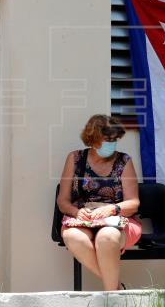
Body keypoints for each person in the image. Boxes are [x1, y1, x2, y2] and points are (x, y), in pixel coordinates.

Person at [57, 114, 141, 291]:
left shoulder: (123, 161)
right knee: (72, 236)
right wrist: (76, 212)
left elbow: (133, 203)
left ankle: (112, 295)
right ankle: (117, 290)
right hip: (83, 219)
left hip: (117, 220)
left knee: (106, 237)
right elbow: (62, 201)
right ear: (93, 139)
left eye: (114, 140)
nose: (111, 144)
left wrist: (112, 209)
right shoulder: (75, 159)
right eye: (107, 139)